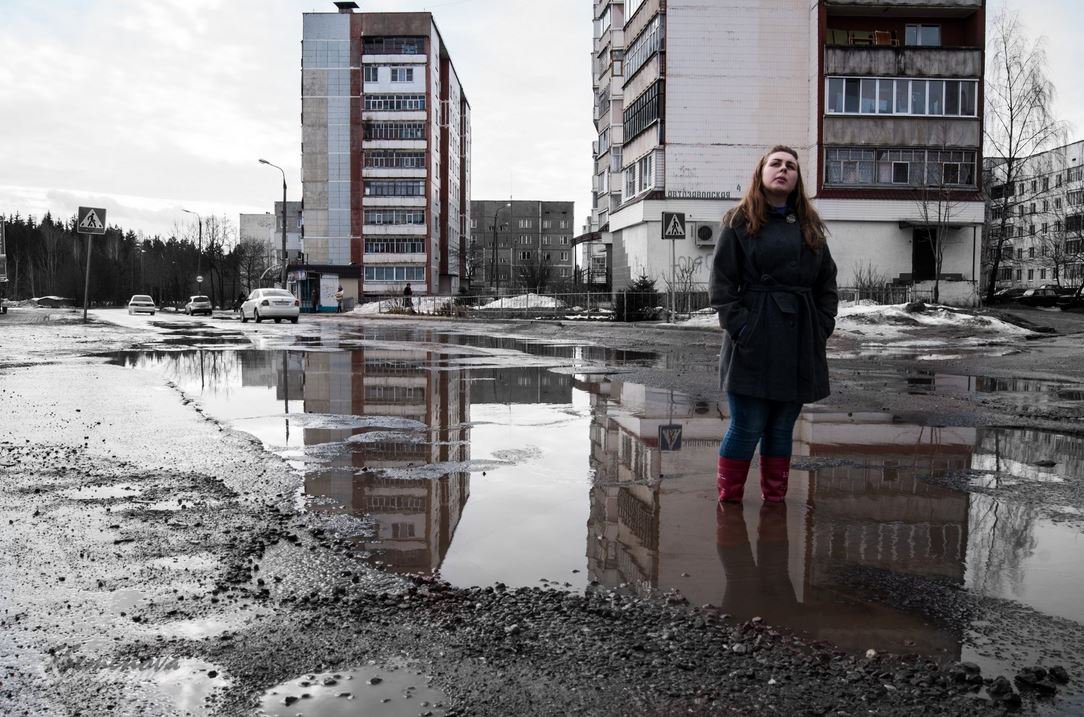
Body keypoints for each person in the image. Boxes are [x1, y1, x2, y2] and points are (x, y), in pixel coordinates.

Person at [709, 145, 838, 503]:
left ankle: (775, 501)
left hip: (800, 337)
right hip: (753, 335)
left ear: (797, 179)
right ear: (761, 173)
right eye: (776, 163)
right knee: (747, 424)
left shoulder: (809, 227)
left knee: (782, 427)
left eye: (791, 166)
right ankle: (730, 501)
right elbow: (721, 286)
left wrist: (822, 325)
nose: (783, 170)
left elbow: (827, 283)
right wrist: (742, 328)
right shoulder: (739, 221)